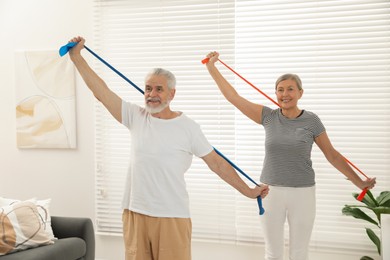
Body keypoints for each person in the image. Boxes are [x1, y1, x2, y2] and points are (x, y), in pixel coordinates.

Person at [67, 36, 269, 260]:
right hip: (135, 213)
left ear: (171, 94)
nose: (152, 94)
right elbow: (102, 93)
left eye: (159, 89)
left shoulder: (188, 127)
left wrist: (249, 192)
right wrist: (77, 57)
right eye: (148, 88)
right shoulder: (136, 116)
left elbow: (217, 164)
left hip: (172, 216)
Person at [204, 51, 376, 260]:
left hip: (303, 193)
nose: (285, 94)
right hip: (270, 192)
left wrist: (360, 182)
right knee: (273, 253)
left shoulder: (312, 121)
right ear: (276, 93)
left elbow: (332, 155)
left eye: (290, 89)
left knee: (299, 254)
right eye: (280, 90)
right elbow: (233, 98)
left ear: (300, 93)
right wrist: (212, 67)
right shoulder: (268, 116)